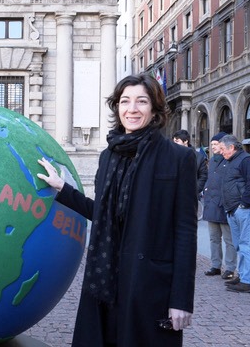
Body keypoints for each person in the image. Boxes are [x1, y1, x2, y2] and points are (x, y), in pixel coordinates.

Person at [37, 74, 197, 346]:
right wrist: (63, 188)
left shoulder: (179, 157)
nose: (132, 109)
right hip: (104, 280)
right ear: (117, 107)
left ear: (155, 109)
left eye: (141, 101)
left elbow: (185, 231)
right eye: (125, 101)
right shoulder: (108, 155)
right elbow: (102, 214)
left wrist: (181, 300)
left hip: (149, 285)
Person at [219, 134, 250, 293]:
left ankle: (249, 282)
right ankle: (244, 276)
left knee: (249, 245)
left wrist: (244, 204)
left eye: (222, 149)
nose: (220, 152)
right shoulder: (232, 161)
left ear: (231, 147)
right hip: (235, 210)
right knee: (241, 246)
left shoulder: (247, 160)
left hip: (247, 209)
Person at [201, 132, 237, 280]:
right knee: (213, 238)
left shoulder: (229, 160)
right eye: (213, 144)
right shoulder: (212, 161)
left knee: (229, 240)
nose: (214, 147)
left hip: (224, 206)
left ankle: (230, 268)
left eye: (216, 144)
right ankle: (215, 265)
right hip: (211, 205)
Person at [172, 129, 208, 196]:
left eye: (177, 141)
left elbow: (203, 176)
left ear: (185, 141)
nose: (175, 144)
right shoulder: (171, 156)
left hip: (191, 196)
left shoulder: (198, 157)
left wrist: (194, 190)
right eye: (174, 142)